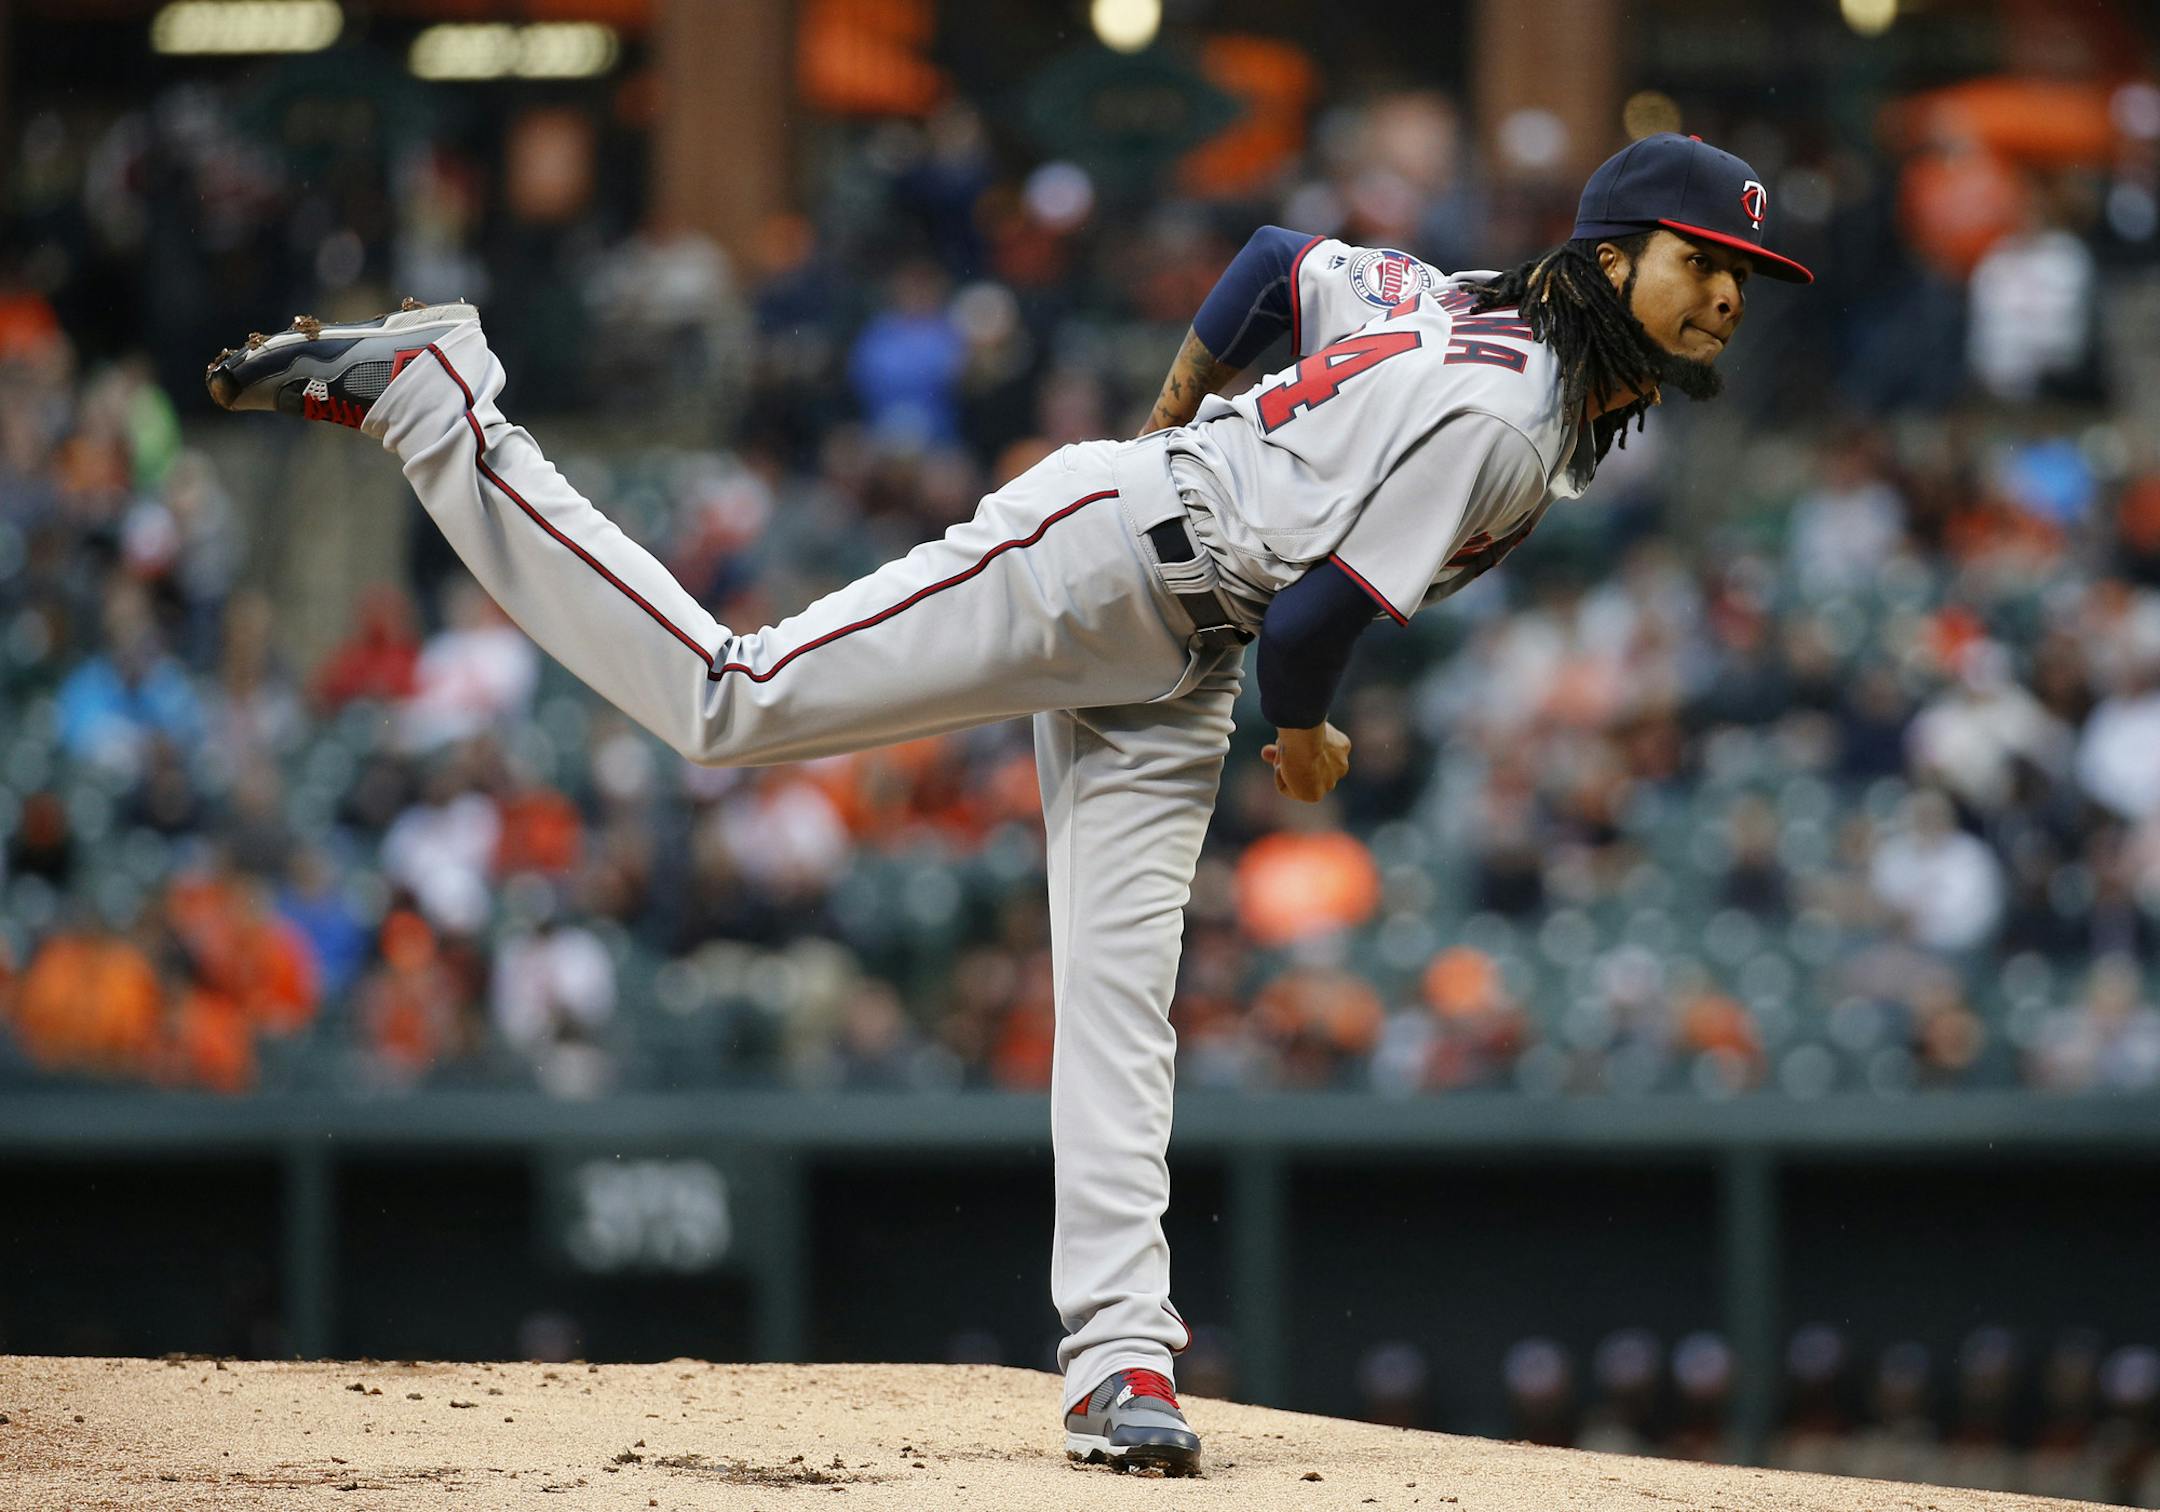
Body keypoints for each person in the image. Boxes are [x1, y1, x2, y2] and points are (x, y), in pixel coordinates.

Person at [206, 131, 1810, 1476]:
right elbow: (1317, 634)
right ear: (1607, 258)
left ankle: (1122, 1366)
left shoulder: (1467, 306)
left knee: (1125, 1007)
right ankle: (442, 399)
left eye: (1743, 274)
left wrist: (1181, 405)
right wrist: (1307, 736)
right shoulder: (1509, 418)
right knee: (731, 698)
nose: (1727, 291)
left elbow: (1267, 262)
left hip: (1175, 634)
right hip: (1110, 561)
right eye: (1696, 258)